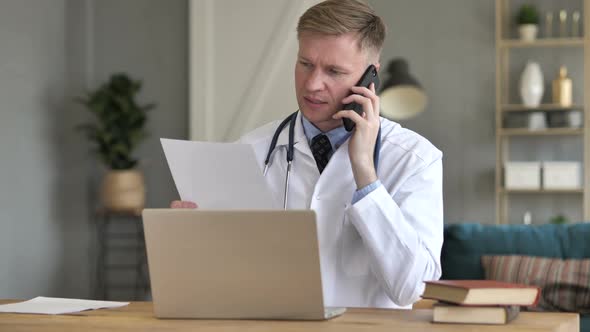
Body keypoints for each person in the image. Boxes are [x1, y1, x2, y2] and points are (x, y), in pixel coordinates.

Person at [172, 0, 443, 309]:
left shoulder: (416, 160)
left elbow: (413, 289)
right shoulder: (250, 150)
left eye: (334, 71)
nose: (313, 84)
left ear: (371, 77)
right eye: (305, 64)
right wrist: (191, 237)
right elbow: (221, 280)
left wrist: (365, 174)